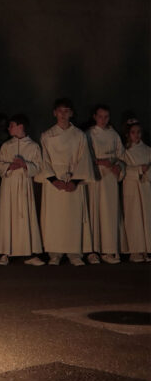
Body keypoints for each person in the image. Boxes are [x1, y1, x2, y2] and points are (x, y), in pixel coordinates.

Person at [35, 98, 95, 266]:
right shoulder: (47, 135)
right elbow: (44, 160)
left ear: (71, 113)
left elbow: (84, 159)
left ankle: (74, 252)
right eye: (60, 111)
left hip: (72, 178)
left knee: (73, 216)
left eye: (66, 111)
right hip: (55, 181)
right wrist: (54, 180)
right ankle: (55, 253)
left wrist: (75, 181)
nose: (63, 114)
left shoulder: (79, 135)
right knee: (54, 217)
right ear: (55, 113)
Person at [0, 114, 44, 266]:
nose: (9, 128)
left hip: (24, 185)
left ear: (21, 126)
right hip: (9, 185)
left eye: (12, 125)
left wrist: (24, 164)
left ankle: (30, 253)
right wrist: (9, 166)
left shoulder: (33, 146)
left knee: (25, 216)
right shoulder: (6, 145)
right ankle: (6, 252)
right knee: (7, 215)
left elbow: (39, 167)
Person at [85, 105, 125, 264]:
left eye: (106, 116)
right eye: (100, 116)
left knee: (109, 212)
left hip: (109, 178)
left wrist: (118, 167)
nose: (103, 120)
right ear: (95, 116)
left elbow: (122, 156)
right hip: (95, 175)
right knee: (94, 210)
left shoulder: (113, 134)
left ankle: (108, 250)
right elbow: (84, 155)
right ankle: (92, 250)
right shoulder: (89, 134)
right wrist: (101, 162)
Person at [121, 119, 151, 262]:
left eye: (139, 132)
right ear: (128, 134)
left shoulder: (147, 150)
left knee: (146, 216)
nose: (136, 135)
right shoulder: (124, 151)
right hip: (131, 187)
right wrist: (138, 169)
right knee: (134, 217)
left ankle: (147, 249)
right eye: (133, 132)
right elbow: (123, 170)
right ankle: (135, 250)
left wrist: (146, 172)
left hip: (145, 187)